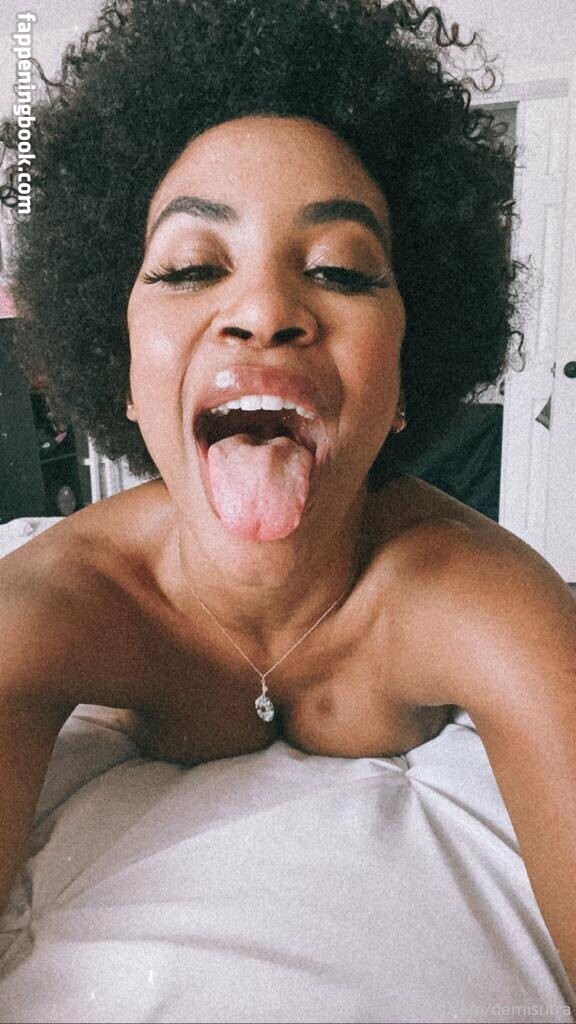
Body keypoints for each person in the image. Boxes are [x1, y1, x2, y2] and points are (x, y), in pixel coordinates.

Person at [0, 0, 575, 993]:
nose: (265, 309)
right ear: (122, 372)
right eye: (191, 267)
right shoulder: (42, 611)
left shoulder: (497, 608)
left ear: (407, 374)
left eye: (341, 271)